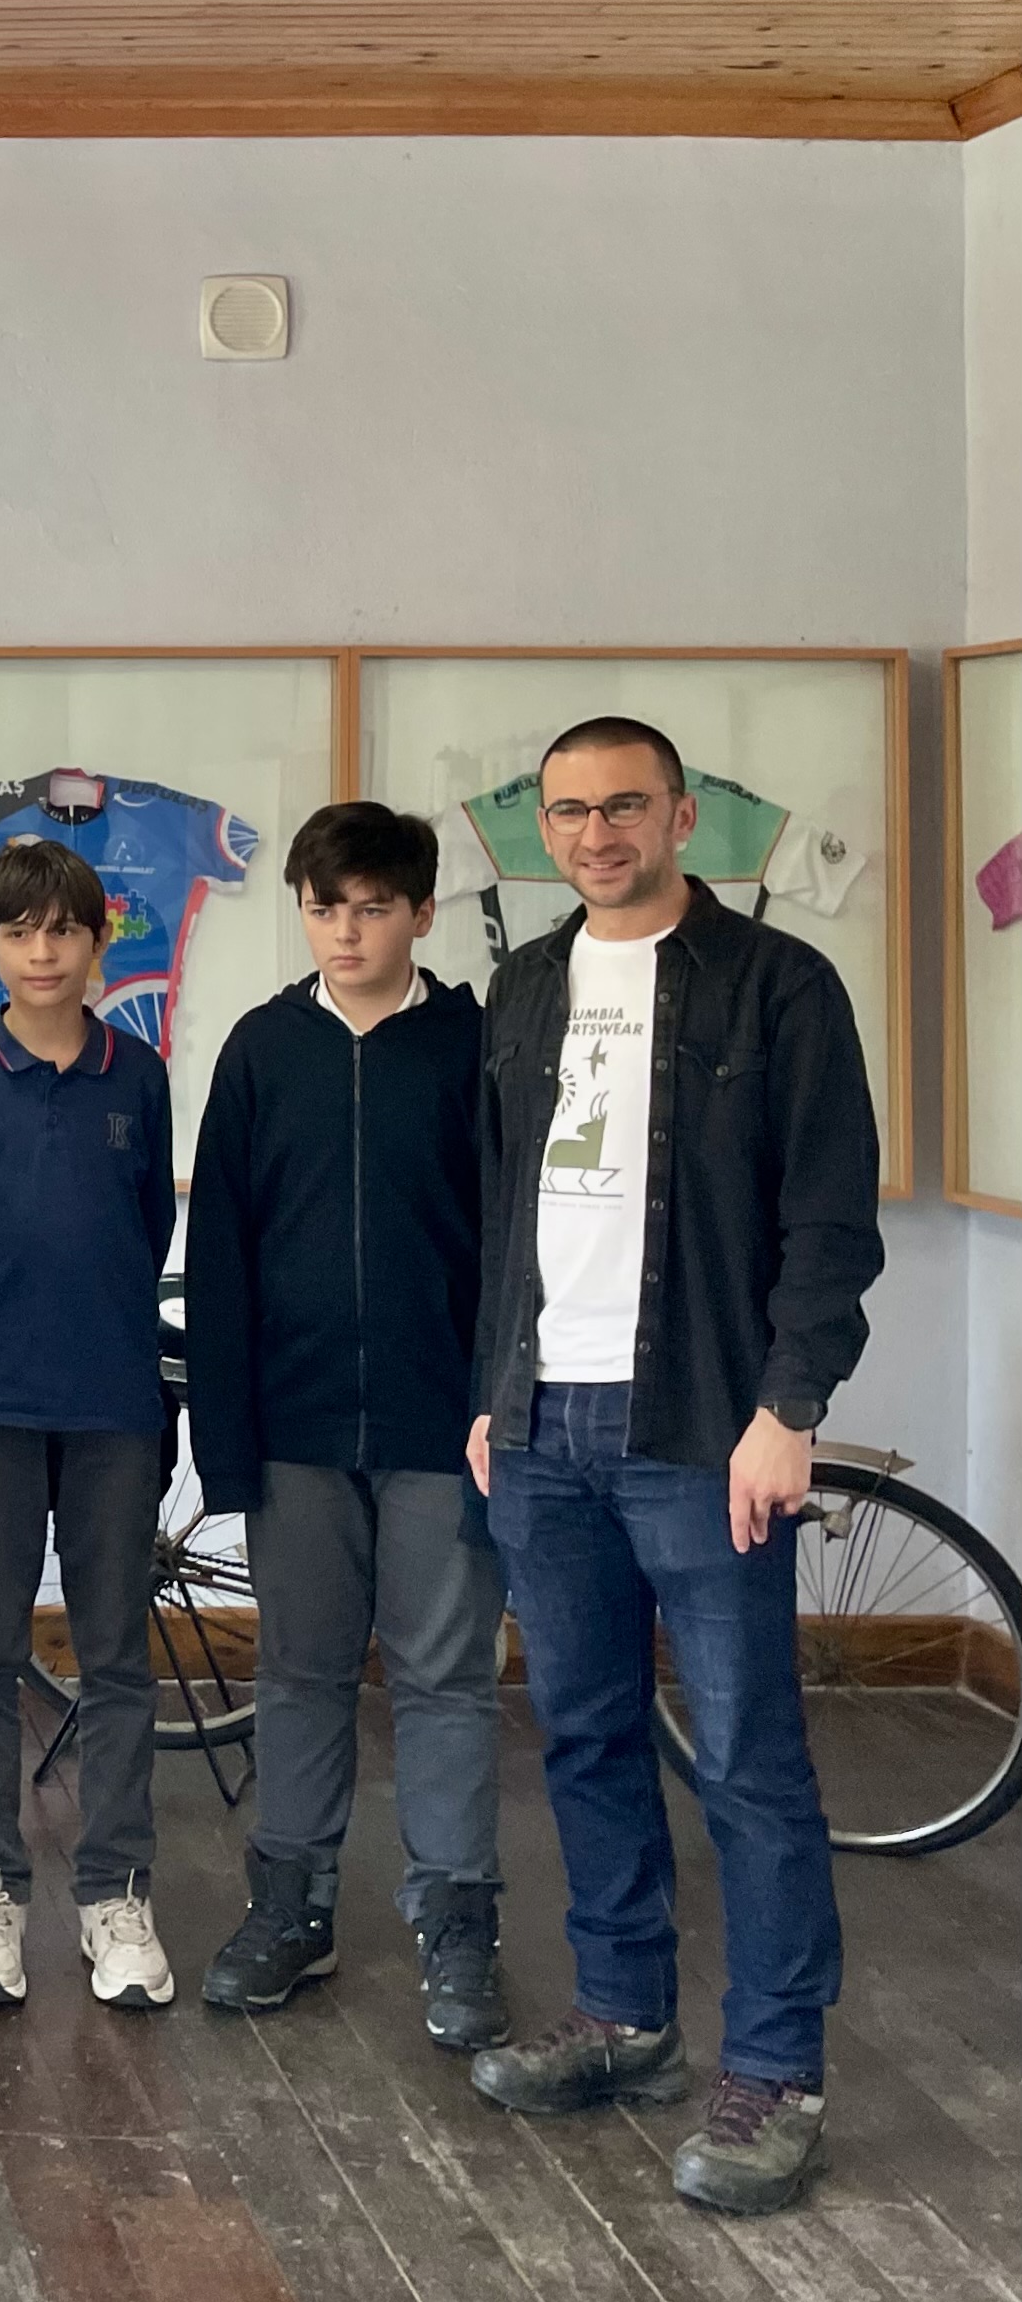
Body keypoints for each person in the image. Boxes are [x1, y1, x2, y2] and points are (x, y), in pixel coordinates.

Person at [461, 717, 881, 2218]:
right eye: (569, 811)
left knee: (748, 1763)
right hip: (540, 1426)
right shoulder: (523, 986)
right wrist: (490, 1390)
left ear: (682, 815)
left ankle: (774, 2070)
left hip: (701, 1427)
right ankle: (623, 2016)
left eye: (623, 805)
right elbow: (504, 1206)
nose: (596, 834)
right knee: (581, 1737)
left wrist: (787, 1406)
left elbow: (828, 1219)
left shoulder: (779, 986)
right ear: (544, 830)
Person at [185, 804, 508, 2045]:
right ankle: (290, 1907)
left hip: (444, 1426)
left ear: (420, 913)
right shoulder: (261, 1050)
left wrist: (501, 1404)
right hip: (295, 1426)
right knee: (299, 1670)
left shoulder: (473, 1048)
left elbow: (511, 1245)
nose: (346, 932)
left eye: (372, 908)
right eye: (324, 908)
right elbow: (220, 1252)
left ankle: (456, 1922)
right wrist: (224, 1438)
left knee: (444, 1679)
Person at [0, 839, 179, 2011]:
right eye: (17, 932)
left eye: (62, 929)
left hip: (114, 1402)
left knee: (115, 1654)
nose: (41, 951)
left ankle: (114, 1893)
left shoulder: (137, 1075)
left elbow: (145, 1227)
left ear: (94, 940)